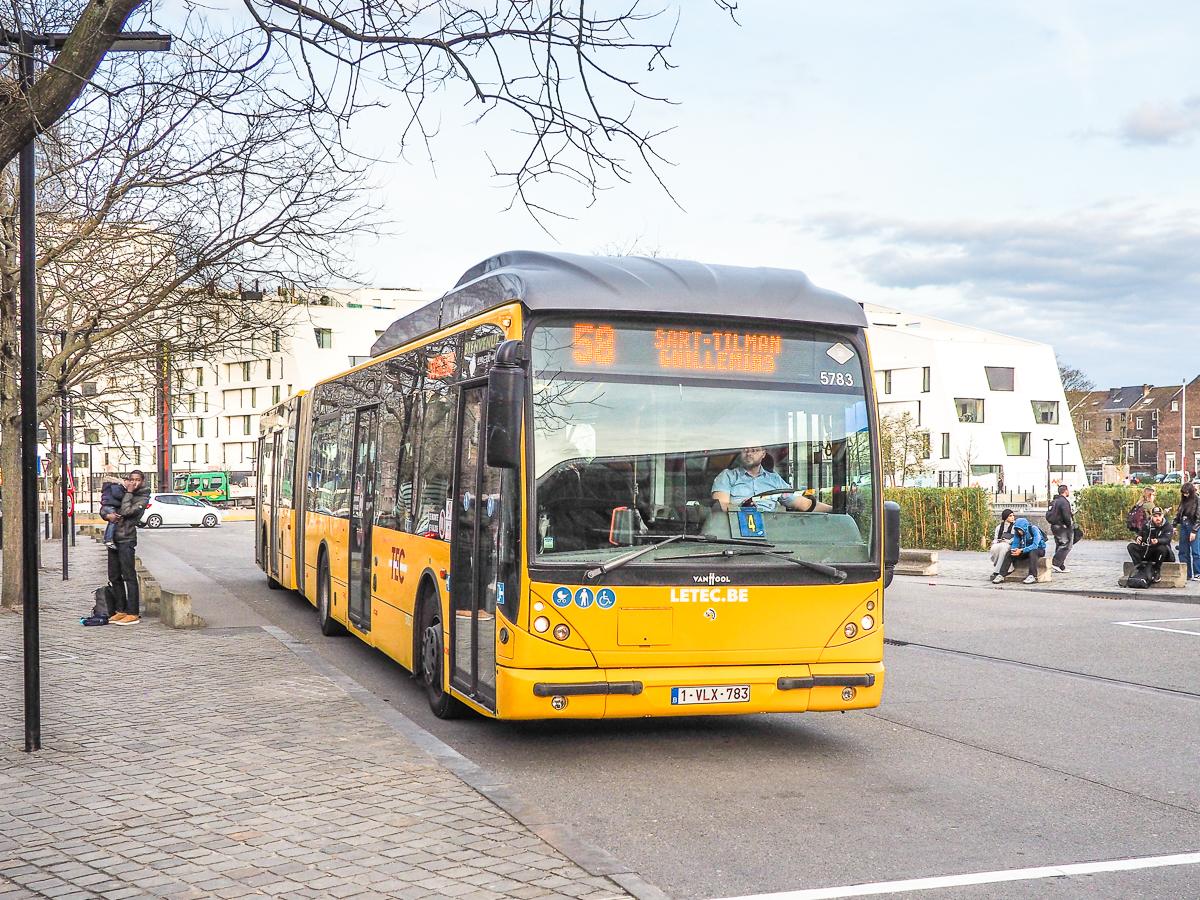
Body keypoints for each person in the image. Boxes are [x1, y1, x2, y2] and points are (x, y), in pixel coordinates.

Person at [712, 446, 831, 512]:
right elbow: (720, 506)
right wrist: (744, 509)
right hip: (734, 532)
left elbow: (803, 504)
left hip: (771, 533)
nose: (749, 454)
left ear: (763, 453)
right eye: (745, 450)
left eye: (754, 450)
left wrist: (834, 509)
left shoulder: (774, 480)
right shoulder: (727, 476)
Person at [105, 470, 150, 625]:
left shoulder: (143, 497)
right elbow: (106, 507)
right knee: (114, 576)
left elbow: (126, 511)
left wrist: (129, 492)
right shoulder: (121, 492)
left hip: (127, 539)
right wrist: (107, 516)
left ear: (142, 481)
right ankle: (120, 609)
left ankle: (133, 612)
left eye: (137, 480)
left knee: (129, 576)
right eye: (131, 479)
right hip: (113, 539)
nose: (134, 482)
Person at [1128, 506, 1175, 587]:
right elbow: (1140, 533)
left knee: (1162, 548)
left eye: (1159, 516)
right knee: (1131, 547)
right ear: (1152, 517)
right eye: (1155, 516)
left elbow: (1167, 539)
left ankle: (1156, 571)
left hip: (1162, 553)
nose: (1158, 518)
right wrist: (1138, 537)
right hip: (1149, 550)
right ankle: (1140, 567)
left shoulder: (1167, 526)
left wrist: (1158, 540)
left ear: (1162, 516)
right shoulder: (1147, 525)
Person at [992, 516, 1046, 584]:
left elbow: (1035, 545)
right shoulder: (1017, 532)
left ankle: (1032, 576)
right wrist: (1014, 550)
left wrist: (1021, 550)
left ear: (1024, 527)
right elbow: (1015, 544)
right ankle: (1001, 575)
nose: (1019, 531)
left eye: (1020, 529)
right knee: (1009, 553)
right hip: (1025, 550)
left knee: (1033, 552)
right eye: (1017, 530)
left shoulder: (1033, 529)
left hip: (1038, 550)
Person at [1046, 484, 1075, 573]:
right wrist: (1070, 525)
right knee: (1066, 545)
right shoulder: (1064, 502)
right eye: (1068, 490)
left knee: (1060, 545)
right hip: (1062, 526)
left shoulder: (1054, 501)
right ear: (1065, 491)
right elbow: (1066, 515)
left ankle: (1060, 566)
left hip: (1054, 526)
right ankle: (1055, 563)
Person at [1175, 483, 1200, 581]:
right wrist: (1174, 525)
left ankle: (1197, 573)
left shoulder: (1197, 500)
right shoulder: (1183, 501)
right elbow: (1178, 513)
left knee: (1195, 551)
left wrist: (1194, 530)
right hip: (1184, 525)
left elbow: (1199, 517)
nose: (1185, 495)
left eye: (1186, 493)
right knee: (1183, 550)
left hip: (1193, 525)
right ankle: (1186, 573)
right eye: (1184, 493)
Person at [988, 509, 1017, 579]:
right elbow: (995, 538)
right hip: (1000, 543)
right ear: (1005, 517)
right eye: (1010, 516)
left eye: (1013, 515)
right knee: (994, 548)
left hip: (1010, 544)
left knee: (1003, 547)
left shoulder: (1015, 526)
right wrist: (996, 541)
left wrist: (1007, 541)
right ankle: (1001, 567)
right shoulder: (999, 527)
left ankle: (997, 571)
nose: (1012, 517)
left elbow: (1016, 538)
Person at [98, 478, 126, 550]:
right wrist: (125, 494)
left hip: (105, 506)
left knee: (111, 522)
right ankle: (108, 540)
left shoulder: (107, 488)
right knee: (113, 521)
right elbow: (118, 495)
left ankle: (107, 539)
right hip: (111, 506)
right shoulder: (116, 486)